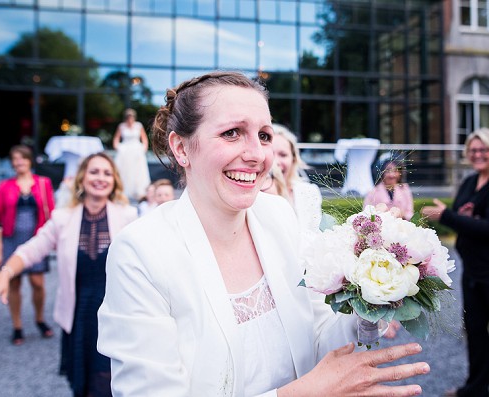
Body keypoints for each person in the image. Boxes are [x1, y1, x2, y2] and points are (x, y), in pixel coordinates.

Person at [97, 71, 429, 396]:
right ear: (182, 149)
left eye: (264, 135)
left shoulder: (279, 217)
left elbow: (319, 334)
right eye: (231, 133)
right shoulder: (140, 250)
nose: (257, 154)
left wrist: (370, 289)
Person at [0, 153, 138, 396]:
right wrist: (4, 274)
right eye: (94, 172)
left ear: (114, 181)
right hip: (77, 316)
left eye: (107, 173)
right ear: (81, 179)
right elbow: (31, 249)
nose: (100, 178)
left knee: (107, 382)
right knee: (80, 382)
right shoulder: (63, 218)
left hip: (115, 317)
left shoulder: (129, 217)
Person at [422, 128, 489, 397]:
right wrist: (465, 217)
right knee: (474, 331)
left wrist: (448, 216)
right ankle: (475, 389)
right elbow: (470, 219)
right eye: (473, 150)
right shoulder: (470, 182)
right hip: (471, 270)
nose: (477, 154)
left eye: (483, 149)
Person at [0, 144, 56, 345]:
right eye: (15, 159)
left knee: (37, 283)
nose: (18, 162)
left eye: (22, 158)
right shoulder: (4, 185)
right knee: (14, 283)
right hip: (12, 237)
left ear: (30, 160)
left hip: (36, 235)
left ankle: (39, 318)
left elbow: (51, 209)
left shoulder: (43, 183)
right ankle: (17, 325)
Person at [270, 124, 323, 233]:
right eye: (270, 153)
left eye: (283, 155)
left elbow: (315, 234)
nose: (275, 162)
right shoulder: (251, 197)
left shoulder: (309, 192)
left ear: (293, 159)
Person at [112, 108, 151, 201]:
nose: (130, 119)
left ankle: (138, 191)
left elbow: (144, 139)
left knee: (138, 170)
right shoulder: (121, 126)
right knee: (125, 170)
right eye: (128, 117)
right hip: (125, 151)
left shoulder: (138, 126)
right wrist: (118, 147)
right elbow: (116, 139)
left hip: (136, 150)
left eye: (131, 117)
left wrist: (143, 148)